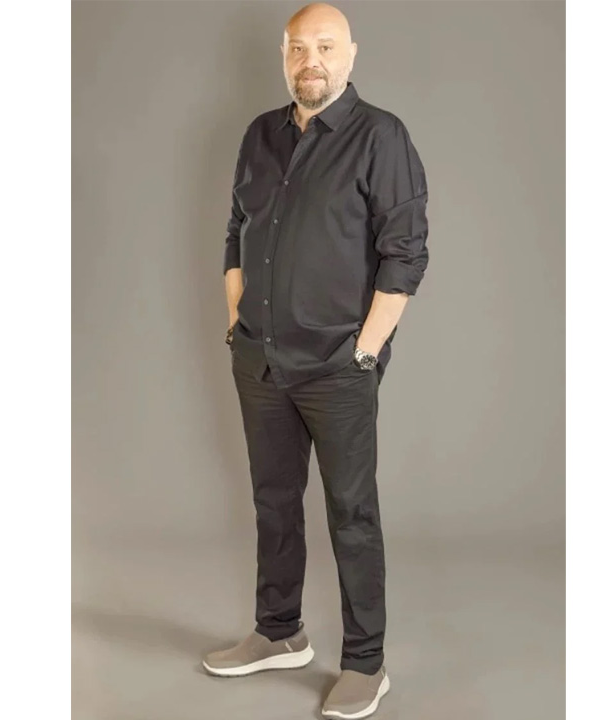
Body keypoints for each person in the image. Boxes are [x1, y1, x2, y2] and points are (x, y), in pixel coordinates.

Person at [199, 3, 430, 718]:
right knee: (273, 502)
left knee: (352, 514)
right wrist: (237, 322)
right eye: (299, 48)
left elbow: (405, 253)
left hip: (337, 366)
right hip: (260, 360)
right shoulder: (259, 135)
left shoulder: (381, 137)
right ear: (283, 56)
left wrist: (366, 350)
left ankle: (366, 662)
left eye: (326, 47)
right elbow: (237, 231)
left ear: (351, 55)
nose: (312, 61)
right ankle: (279, 631)